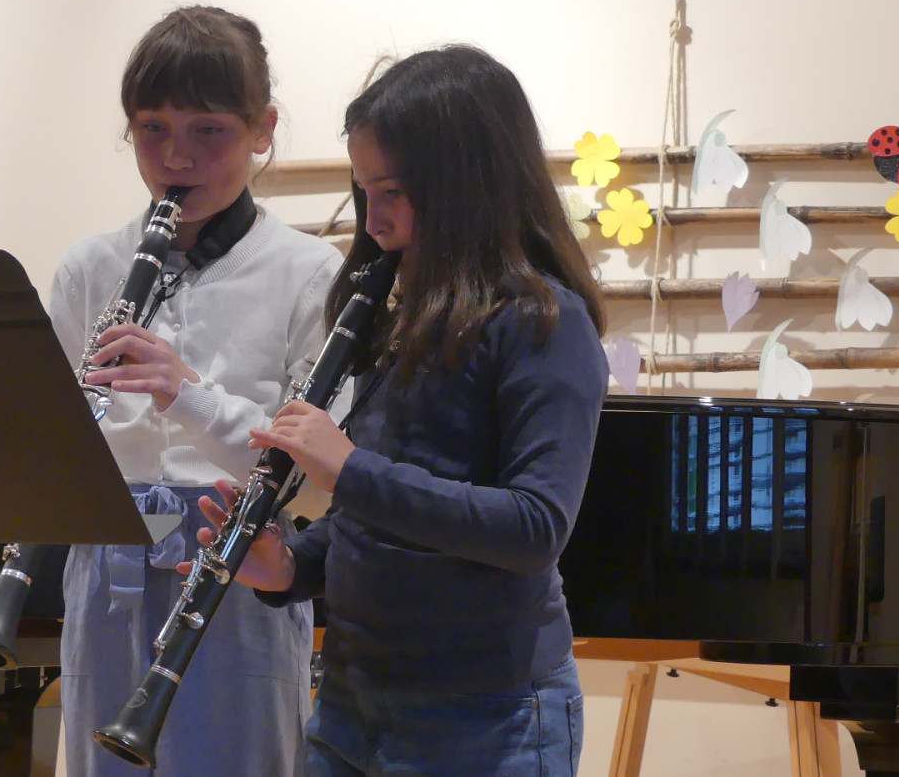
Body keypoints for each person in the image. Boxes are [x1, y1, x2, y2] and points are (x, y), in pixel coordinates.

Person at [193, 44, 610, 776]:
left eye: (393, 193)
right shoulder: (397, 317)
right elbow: (382, 517)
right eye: (364, 193)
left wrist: (349, 469)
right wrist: (290, 565)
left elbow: (534, 528)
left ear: (467, 188)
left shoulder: (543, 322)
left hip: (486, 714)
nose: (376, 222)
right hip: (354, 698)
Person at [48, 5, 342, 777]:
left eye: (207, 129)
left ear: (263, 128)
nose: (175, 156)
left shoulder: (310, 273)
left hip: (237, 558)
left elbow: (320, 476)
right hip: (107, 565)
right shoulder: (89, 268)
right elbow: (55, 444)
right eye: (152, 129)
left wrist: (190, 396)